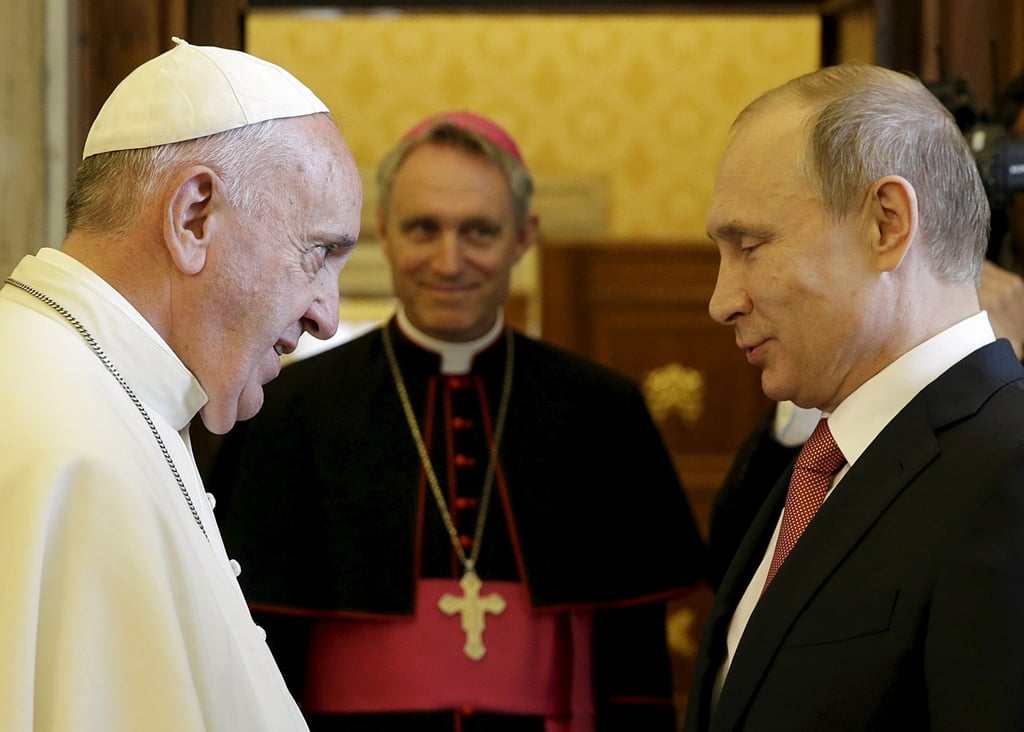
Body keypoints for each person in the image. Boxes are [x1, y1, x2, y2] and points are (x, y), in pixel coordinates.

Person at [208, 110, 706, 731]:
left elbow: (633, 667)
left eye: (479, 231)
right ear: (384, 232)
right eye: (424, 229)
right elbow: (257, 652)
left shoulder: (601, 411)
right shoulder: (290, 410)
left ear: (524, 236)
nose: (449, 261)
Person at [0, 38, 362, 731]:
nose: (327, 316)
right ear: (194, 215)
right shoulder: (76, 449)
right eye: (318, 253)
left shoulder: (95, 392)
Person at [686, 62, 1024, 731]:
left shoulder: (1009, 471)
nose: (721, 302)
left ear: (886, 224)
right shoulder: (828, 458)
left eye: (751, 246)